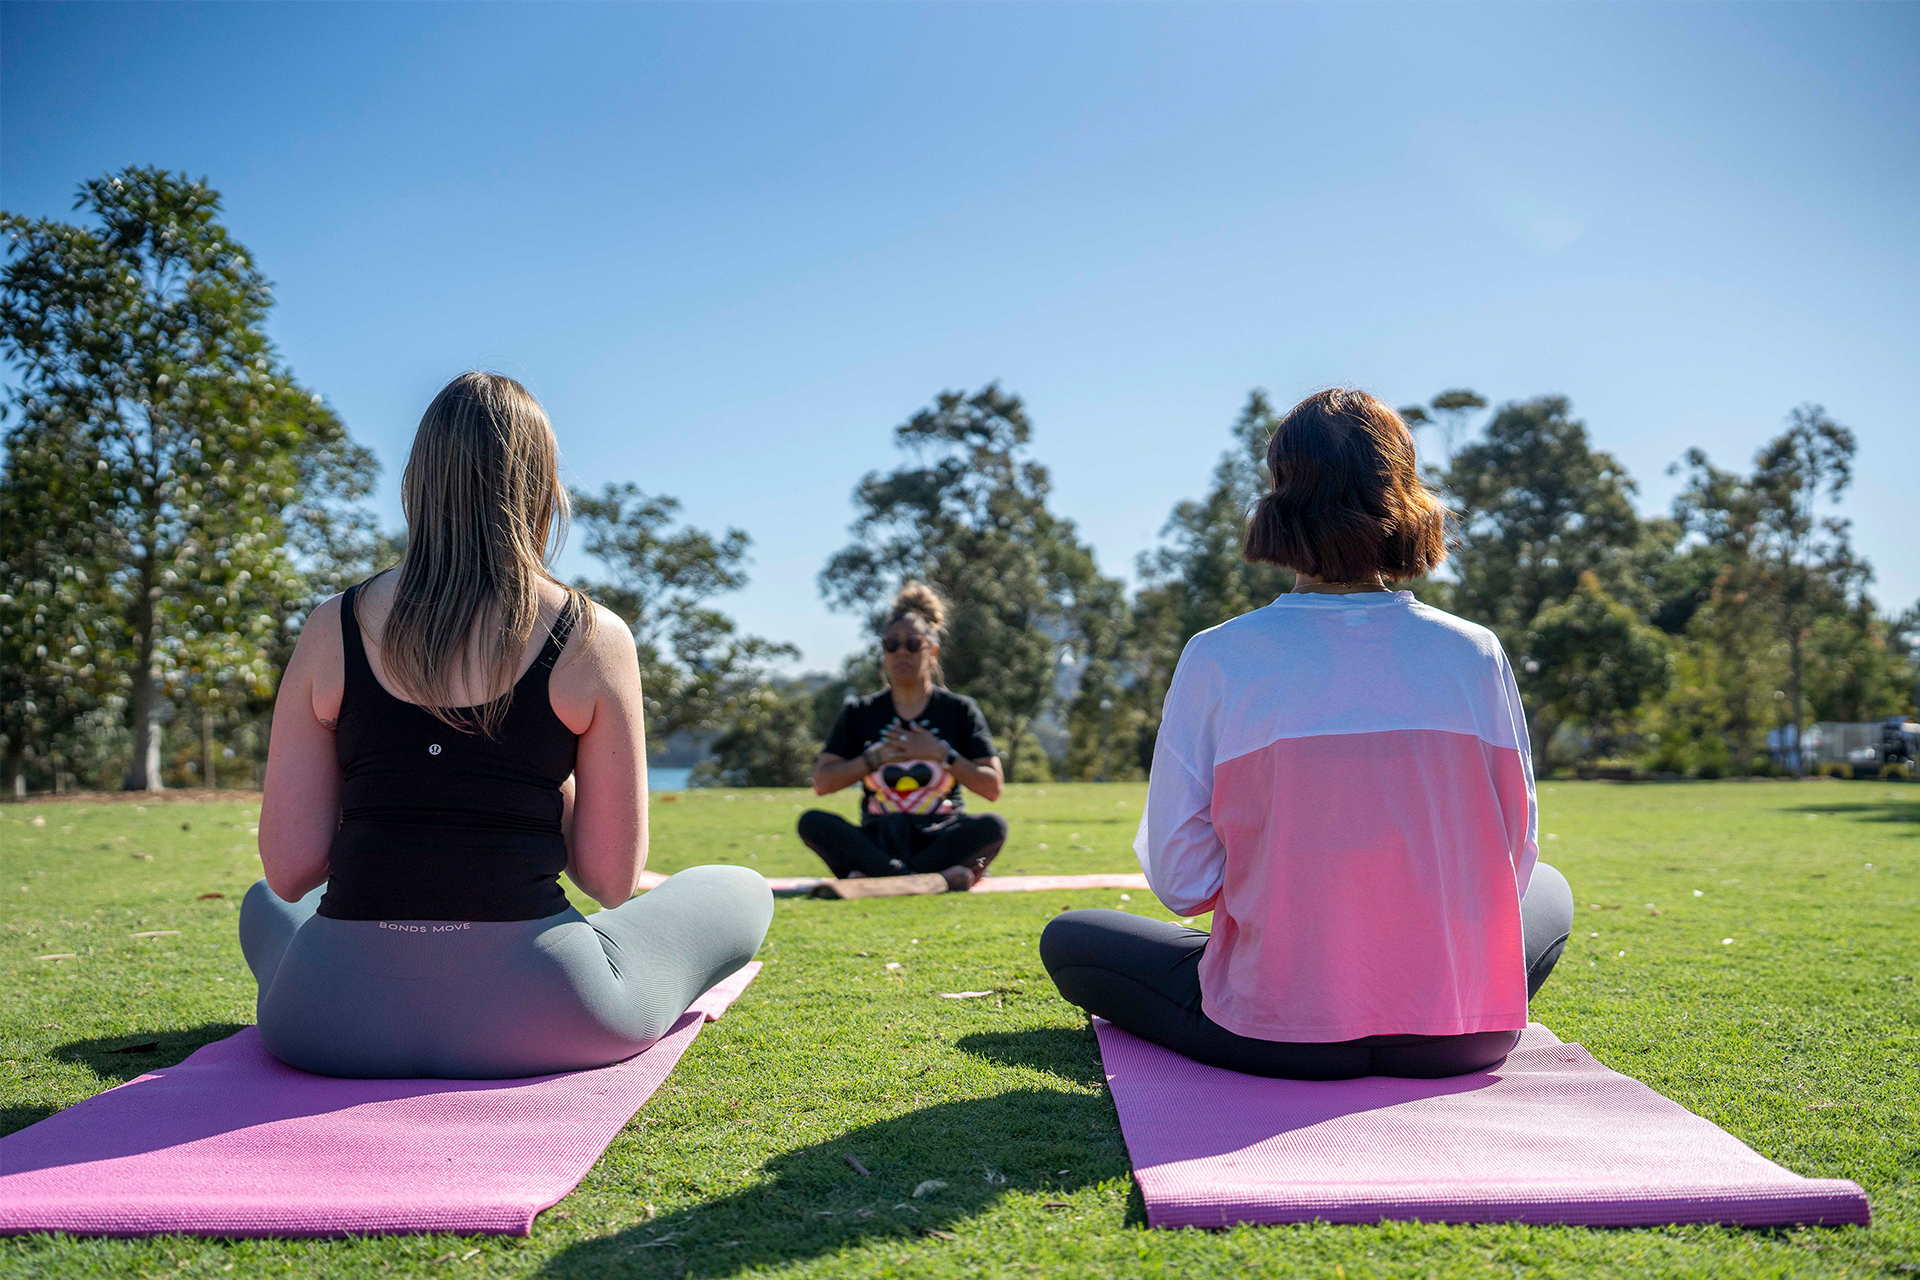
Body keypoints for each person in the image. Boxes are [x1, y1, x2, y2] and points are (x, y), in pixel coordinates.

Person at [243, 372, 772, 1079]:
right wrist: (540, 783)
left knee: (262, 904)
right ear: (543, 489)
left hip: (326, 1023)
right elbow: (610, 879)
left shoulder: (330, 627)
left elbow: (289, 871)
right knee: (740, 887)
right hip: (546, 1016)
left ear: (415, 486)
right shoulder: (591, 636)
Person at [1040, 388, 1575, 1081]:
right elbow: (1515, 857)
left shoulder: (1220, 656)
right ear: (1406, 494)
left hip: (1277, 1034)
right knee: (1549, 888)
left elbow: (1182, 881)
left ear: (1279, 499)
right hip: (1461, 1035)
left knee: (1071, 938)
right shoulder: (1474, 652)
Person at [798, 583, 1008, 891]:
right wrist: (875, 758)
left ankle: (880, 877)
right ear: (883, 653)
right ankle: (933, 878)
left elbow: (992, 787)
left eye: (912, 644)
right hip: (879, 836)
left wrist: (940, 753)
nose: (901, 653)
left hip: (940, 835)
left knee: (993, 826)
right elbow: (822, 782)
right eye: (891, 645)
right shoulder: (860, 712)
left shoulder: (959, 710)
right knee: (812, 822)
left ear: (932, 652)